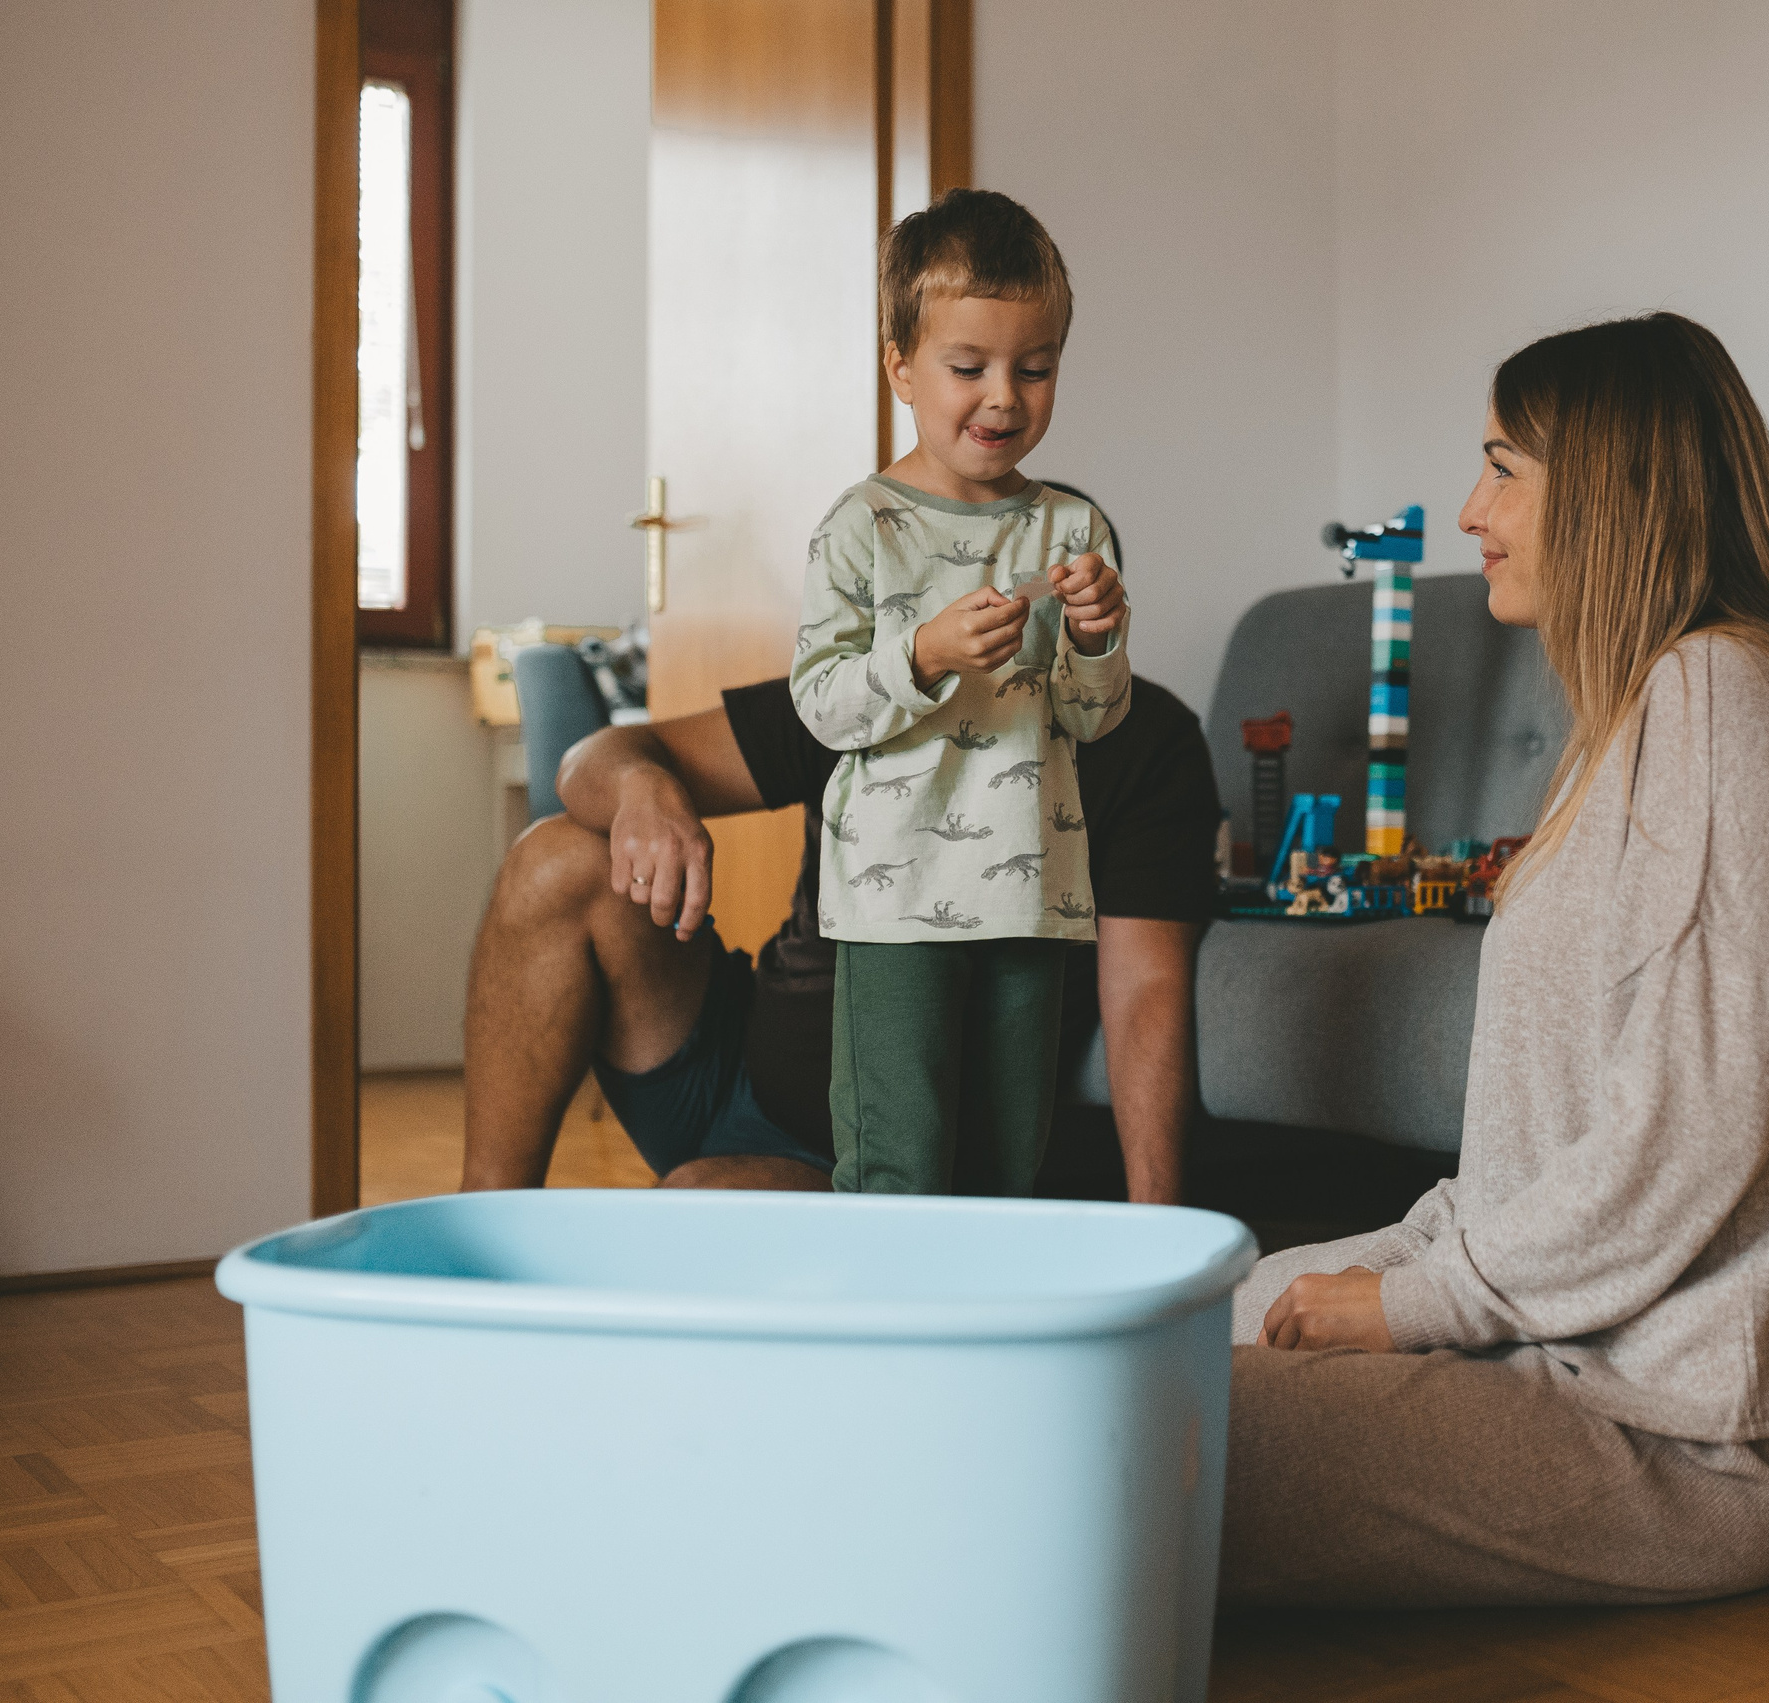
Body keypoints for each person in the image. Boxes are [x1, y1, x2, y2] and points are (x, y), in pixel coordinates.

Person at [1221, 312, 1769, 1606]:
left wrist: (1420, 1303)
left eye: (1504, 466)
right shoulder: (1639, 718)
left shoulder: (1721, 700)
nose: (1473, 506)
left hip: (1680, 1433)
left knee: (1111, 1443)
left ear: (1604, 492)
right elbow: (1550, 1146)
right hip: (1556, 1336)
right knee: (1167, 1315)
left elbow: (1690, 1134)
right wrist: (1397, 1261)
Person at [456, 664, 1218, 1204]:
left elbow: (1146, 986)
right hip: (738, 1068)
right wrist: (642, 788)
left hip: (896, 1157)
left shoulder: (1143, 741)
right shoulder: (869, 688)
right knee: (552, 857)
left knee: (694, 1205)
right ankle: (479, 1228)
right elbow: (592, 759)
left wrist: (1164, 1236)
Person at [790, 188, 1129, 1196]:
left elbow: (1089, 716)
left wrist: (1097, 640)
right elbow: (823, 704)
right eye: (967, 366)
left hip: (1031, 899)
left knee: (1004, 1168)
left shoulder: (1072, 529)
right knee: (900, 1161)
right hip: (893, 905)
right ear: (901, 366)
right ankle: (881, 1353)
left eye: (1034, 368)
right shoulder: (862, 526)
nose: (1003, 397)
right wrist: (924, 652)